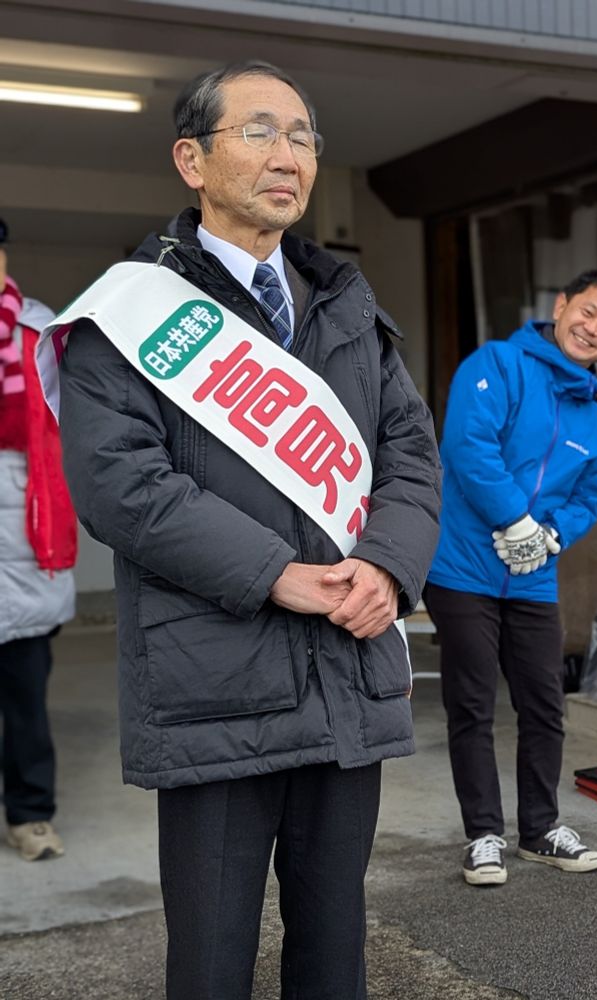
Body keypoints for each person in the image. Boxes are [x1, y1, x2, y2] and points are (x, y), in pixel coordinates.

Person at [51, 62, 440, 999]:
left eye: (304, 137)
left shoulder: (347, 304)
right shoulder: (128, 315)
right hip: (212, 691)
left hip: (347, 677)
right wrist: (281, 574)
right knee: (213, 961)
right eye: (260, 132)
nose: (289, 156)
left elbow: (411, 455)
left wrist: (385, 569)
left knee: (333, 946)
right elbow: (121, 487)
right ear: (191, 158)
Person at [424, 270, 597, 887]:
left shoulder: (596, 418)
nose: (591, 329)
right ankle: (483, 835)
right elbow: (469, 445)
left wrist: (549, 537)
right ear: (561, 304)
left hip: (533, 575)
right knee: (471, 705)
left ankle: (540, 829)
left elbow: (592, 494)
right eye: (587, 312)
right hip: (464, 567)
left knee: (544, 706)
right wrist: (514, 520)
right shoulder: (498, 363)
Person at [0, 240, 77, 861]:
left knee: (25, 695)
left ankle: (29, 814)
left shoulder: (37, 331)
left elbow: (65, 423)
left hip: (26, 531)